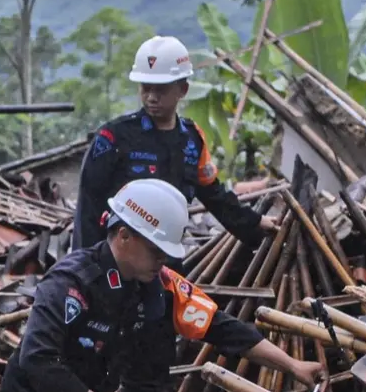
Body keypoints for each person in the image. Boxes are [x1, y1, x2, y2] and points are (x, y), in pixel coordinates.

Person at [0, 178, 322, 392]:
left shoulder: (158, 285)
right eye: (156, 250)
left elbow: (221, 328)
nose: (163, 260)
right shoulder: (70, 283)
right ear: (124, 236)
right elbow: (38, 359)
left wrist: (293, 365)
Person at [70, 34, 279, 254]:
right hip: (120, 260)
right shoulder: (113, 138)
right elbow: (88, 208)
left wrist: (255, 223)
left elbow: (214, 196)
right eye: (145, 88)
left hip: (166, 260)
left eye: (160, 90)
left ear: (183, 90)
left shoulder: (192, 140)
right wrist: (86, 267)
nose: (151, 97)